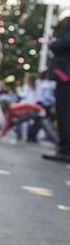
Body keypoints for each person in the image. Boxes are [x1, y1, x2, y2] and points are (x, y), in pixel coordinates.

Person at [44, 11, 70, 162]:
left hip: (66, 75)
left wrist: (53, 44)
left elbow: (66, 42)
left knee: (64, 113)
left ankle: (65, 149)